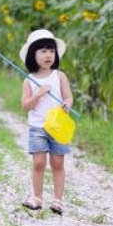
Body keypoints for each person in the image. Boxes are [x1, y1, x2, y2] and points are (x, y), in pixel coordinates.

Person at [19, 29, 73, 215]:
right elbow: (26, 106)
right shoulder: (29, 80)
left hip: (57, 126)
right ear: (33, 55)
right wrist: (38, 95)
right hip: (38, 127)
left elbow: (68, 97)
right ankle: (37, 197)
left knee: (58, 163)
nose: (48, 54)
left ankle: (58, 200)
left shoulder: (59, 76)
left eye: (51, 50)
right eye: (42, 50)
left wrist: (67, 104)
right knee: (39, 162)